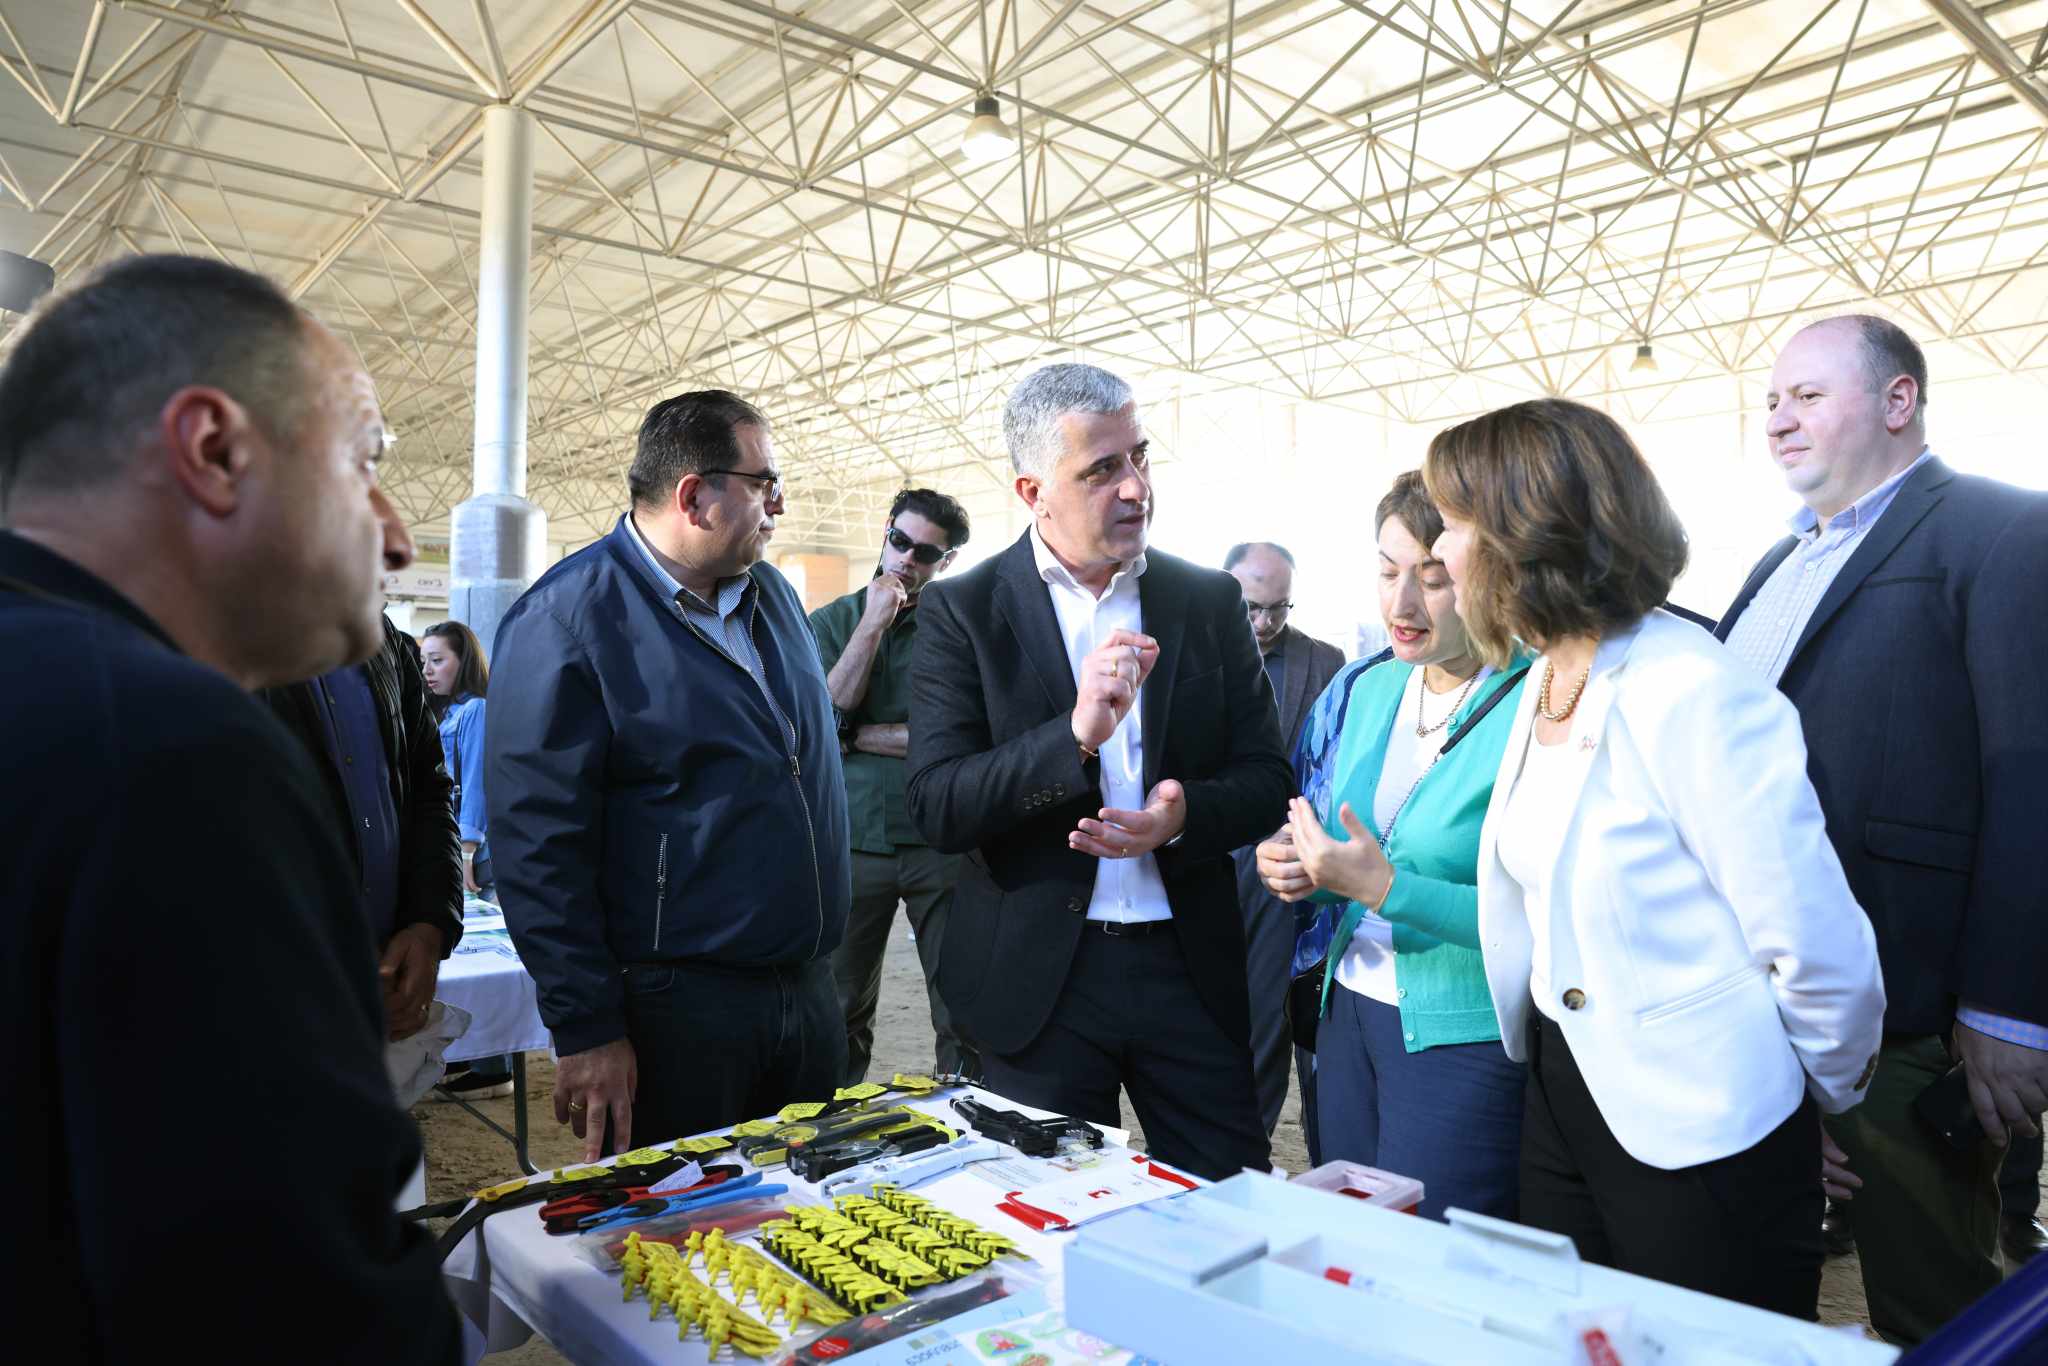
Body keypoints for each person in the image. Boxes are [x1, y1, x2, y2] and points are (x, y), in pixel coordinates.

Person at [0, 253, 459, 1359]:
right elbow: (294, 1305)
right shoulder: (170, 750)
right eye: (366, 463)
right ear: (213, 449)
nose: (397, 535)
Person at [1427, 396, 1886, 1318]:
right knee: (1584, 1336)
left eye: (1454, 523)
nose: (1440, 551)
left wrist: (1807, 1102)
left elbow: (1816, 947)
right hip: (1567, 1091)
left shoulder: (1693, 688)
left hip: (1703, 1122)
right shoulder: (1548, 672)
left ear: (1524, 535)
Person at [1718, 316, 2048, 1340]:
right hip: (1758, 997)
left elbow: (2029, 774)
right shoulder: (1776, 562)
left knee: (1931, 1304)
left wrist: (2005, 1011)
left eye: (1808, 396)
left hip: (1908, 1007)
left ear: (1898, 400)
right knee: (1760, 1272)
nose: (1779, 419)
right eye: (1772, 401)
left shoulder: (2003, 530)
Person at [906, 362, 1292, 1182]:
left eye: (1140, 457)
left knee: (1230, 1199)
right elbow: (938, 806)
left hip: (1187, 972)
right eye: (1102, 469)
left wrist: (1181, 817)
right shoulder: (963, 611)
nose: (1135, 488)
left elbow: (1267, 778)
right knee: (1051, 1216)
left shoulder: (1206, 601)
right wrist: (1074, 736)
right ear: (1033, 490)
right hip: (1036, 986)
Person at [488, 389, 849, 1163]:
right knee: (684, 1221)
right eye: (764, 482)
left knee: (806, 1212)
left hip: (806, 988)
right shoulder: (566, 621)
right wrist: (587, 1025)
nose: (779, 503)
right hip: (677, 1011)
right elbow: (537, 845)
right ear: (694, 496)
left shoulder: (774, 598)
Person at [1253, 475, 1529, 1220]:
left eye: (1433, 580)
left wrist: (1385, 889)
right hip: (1347, 1012)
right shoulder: (1367, 688)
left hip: (1462, 1034)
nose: (1401, 605)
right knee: (1349, 1238)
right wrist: (1301, 863)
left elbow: (1539, 915)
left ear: (1493, 572)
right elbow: (1345, 836)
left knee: (1438, 1254)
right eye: (1386, 571)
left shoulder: (1537, 697)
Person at [810, 488, 976, 1083]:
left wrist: (857, 734)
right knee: (838, 1003)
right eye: (901, 541)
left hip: (940, 841)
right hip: (853, 840)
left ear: (945, 562)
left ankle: (966, 1115)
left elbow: (963, 735)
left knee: (961, 1004)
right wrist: (874, 622)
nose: (907, 559)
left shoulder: (959, 626)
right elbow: (823, 719)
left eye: (925, 553)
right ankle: (832, 1119)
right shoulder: (832, 621)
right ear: (885, 532)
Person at [259, 617, 465, 1050]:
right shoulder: (211, 621)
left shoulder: (384, 640)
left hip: (386, 992)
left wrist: (430, 923)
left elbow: (429, 790)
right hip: (271, 997)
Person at [1222, 541, 1344, 1144]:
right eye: (1252, 607)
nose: (1265, 622)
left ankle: (1254, 1143)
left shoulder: (1326, 662)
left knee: (1269, 1015)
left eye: (1278, 608)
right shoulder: (1188, 650)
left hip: (1286, 861)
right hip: (1204, 856)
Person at [420, 618, 512, 1100]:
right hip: (458, 845)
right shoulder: (446, 712)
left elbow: (475, 781)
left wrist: (468, 849)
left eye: (438, 660)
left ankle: (495, 1067)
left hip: (476, 849)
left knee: (485, 955)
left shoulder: (476, 709)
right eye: (425, 661)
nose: (428, 670)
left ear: (464, 661)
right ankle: (477, 1056)